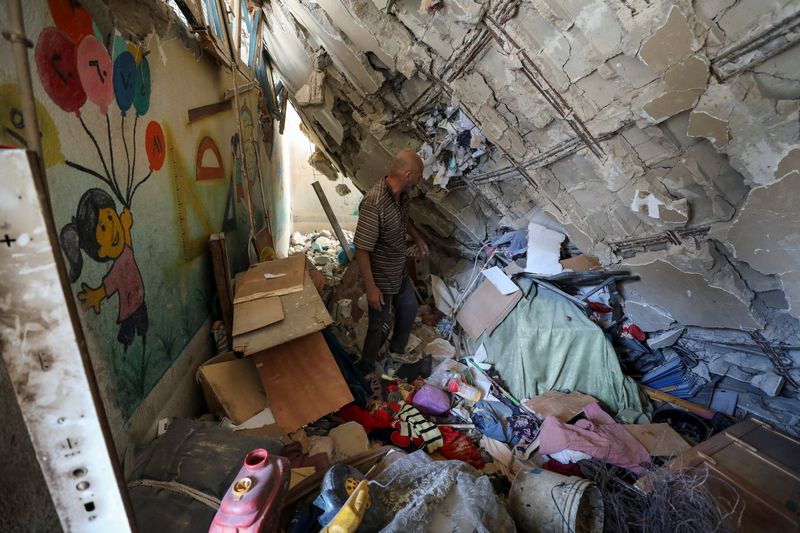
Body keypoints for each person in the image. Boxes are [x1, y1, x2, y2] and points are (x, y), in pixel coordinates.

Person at [354, 150, 429, 368]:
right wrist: (371, 289)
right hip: (380, 276)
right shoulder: (374, 203)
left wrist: (418, 238)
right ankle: (366, 367)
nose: (419, 180)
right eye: (419, 175)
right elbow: (361, 249)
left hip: (398, 269)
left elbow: (402, 220)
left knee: (409, 308)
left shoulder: (403, 194)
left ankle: (396, 352)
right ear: (408, 174)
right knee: (379, 324)